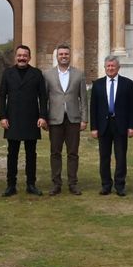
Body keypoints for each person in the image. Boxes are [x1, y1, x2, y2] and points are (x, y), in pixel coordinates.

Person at [0, 45, 48, 197]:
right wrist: (2, 117)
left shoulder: (37, 73)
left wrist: (42, 116)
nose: (22, 58)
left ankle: (31, 184)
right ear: (15, 57)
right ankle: (11, 185)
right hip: (12, 119)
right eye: (19, 55)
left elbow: (43, 97)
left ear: (29, 57)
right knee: (11, 154)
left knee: (31, 154)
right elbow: (2, 97)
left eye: (25, 55)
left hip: (31, 119)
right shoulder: (8, 73)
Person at [42, 44, 87, 196]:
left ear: (70, 56)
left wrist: (84, 119)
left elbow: (83, 99)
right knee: (55, 153)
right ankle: (56, 184)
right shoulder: (48, 75)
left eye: (66, 54)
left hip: (73, 119)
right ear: (57, 56)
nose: (63, 56)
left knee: (73, 153)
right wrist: (44, 118)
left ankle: (73, 183)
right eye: (61, 54)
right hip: (55, 119)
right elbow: (44, 99)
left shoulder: (79, 74)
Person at [89, 55, 133, 197]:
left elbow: (132, 107)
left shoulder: (127, 84)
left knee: (121, 156)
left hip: (121, 124)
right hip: (103, 125)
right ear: (104, 68)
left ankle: (120, 185)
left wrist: (132, 126)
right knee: (104, 157)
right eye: (108, 66)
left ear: (118, 67)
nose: (110, 68)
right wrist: (94, 128)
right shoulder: (98, 84)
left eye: (113, 66)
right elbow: (93, 108)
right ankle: (106, 185)